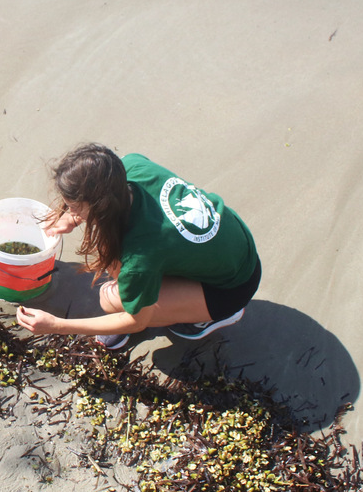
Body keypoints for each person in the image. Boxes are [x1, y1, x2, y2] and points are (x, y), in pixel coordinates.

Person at [15, 143, 261, 350]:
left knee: (110, 298)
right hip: (236, 244)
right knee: (127, 271)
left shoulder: (137, 257)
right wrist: (75, 216)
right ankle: (184, 299)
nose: (70, 212)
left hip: (231, 287)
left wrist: (57, 326)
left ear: (100, 207)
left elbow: (136, 322)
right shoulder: (129, 166)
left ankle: (210, 317)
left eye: (75, 207)